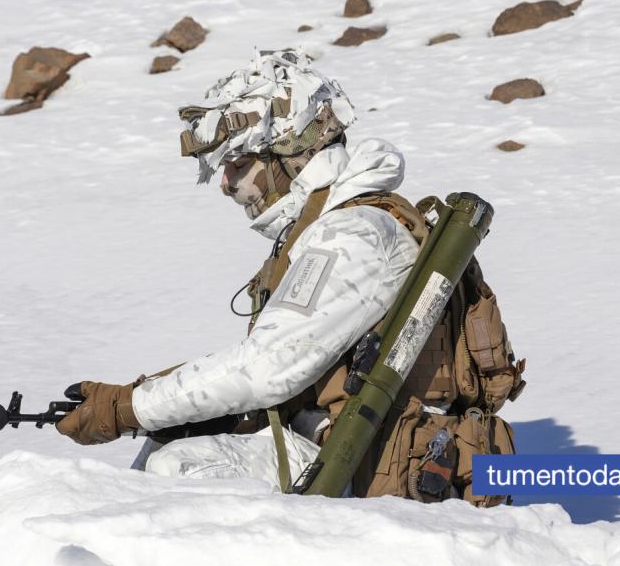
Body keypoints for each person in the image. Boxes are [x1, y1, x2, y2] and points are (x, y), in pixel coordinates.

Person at [56, 49, 523, 502]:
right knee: (171, 442)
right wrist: (148, 401)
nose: (226, 184)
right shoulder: (337, 227)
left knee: (178, 467)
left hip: (369, 463)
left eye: (239, 165)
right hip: (340, 443)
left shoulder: (351, 235)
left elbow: (269, 368)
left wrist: (126, 408)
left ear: (291, 155)